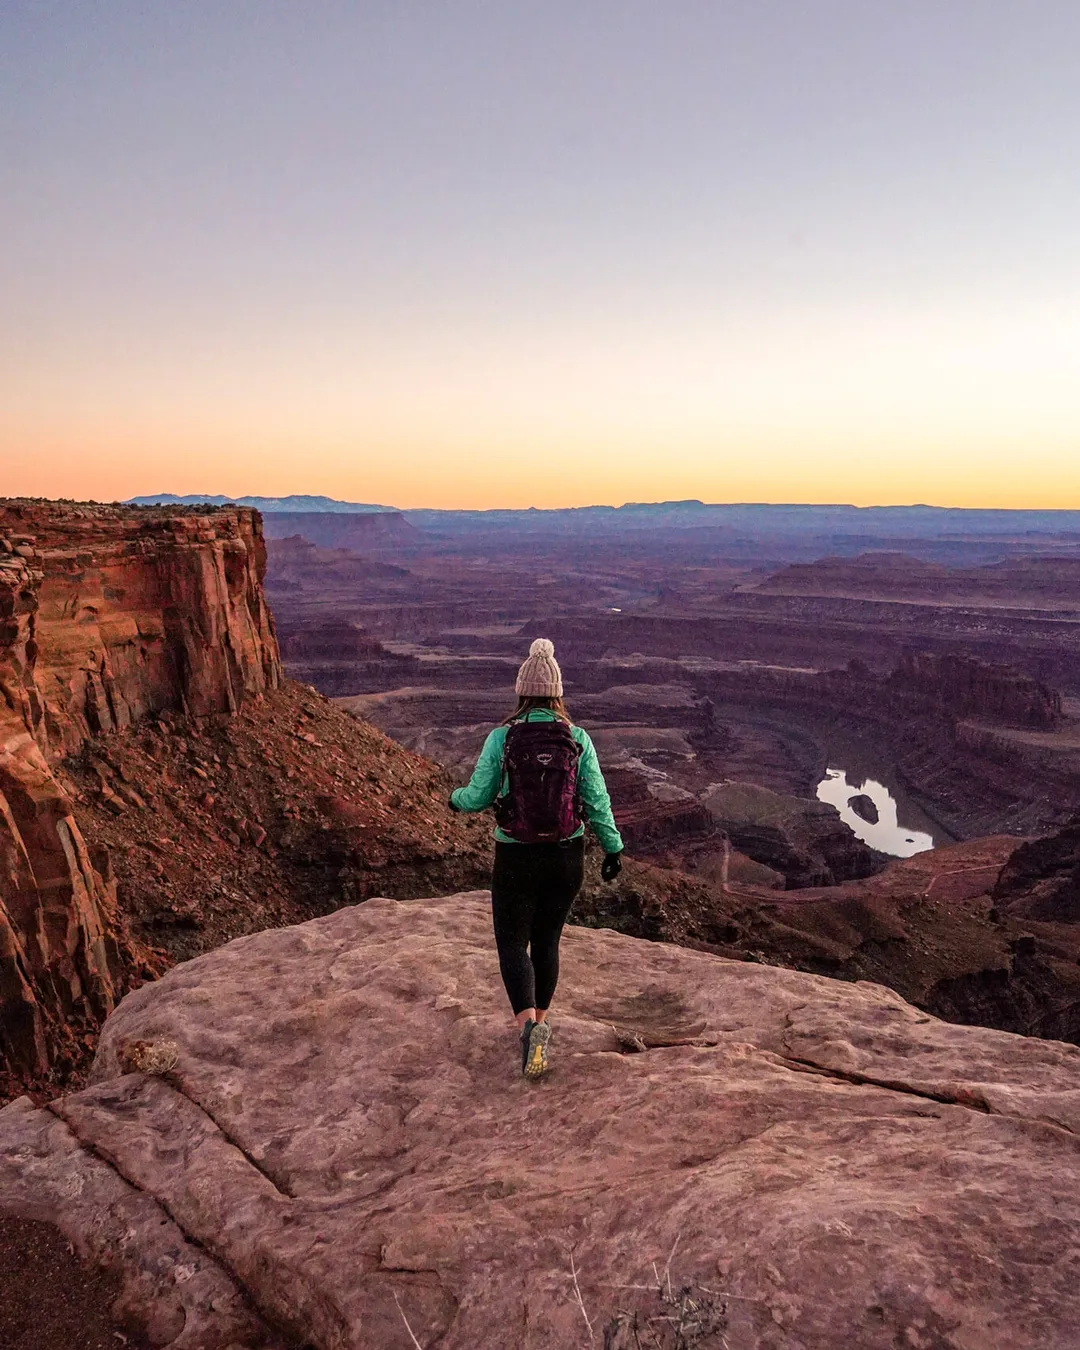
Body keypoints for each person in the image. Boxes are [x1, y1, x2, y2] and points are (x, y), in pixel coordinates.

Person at [448, 638, 624, 1080]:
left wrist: (455, 800)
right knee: (547, 942)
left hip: (516, 855)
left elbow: (479, 796)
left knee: (512, 943)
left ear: (521, 691)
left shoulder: (502, 737)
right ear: (558, 693)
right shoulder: (577, 738)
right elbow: (596, 799)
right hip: (567, 855)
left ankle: (527, 1027)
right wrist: (613, 847)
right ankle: (541, 1024)